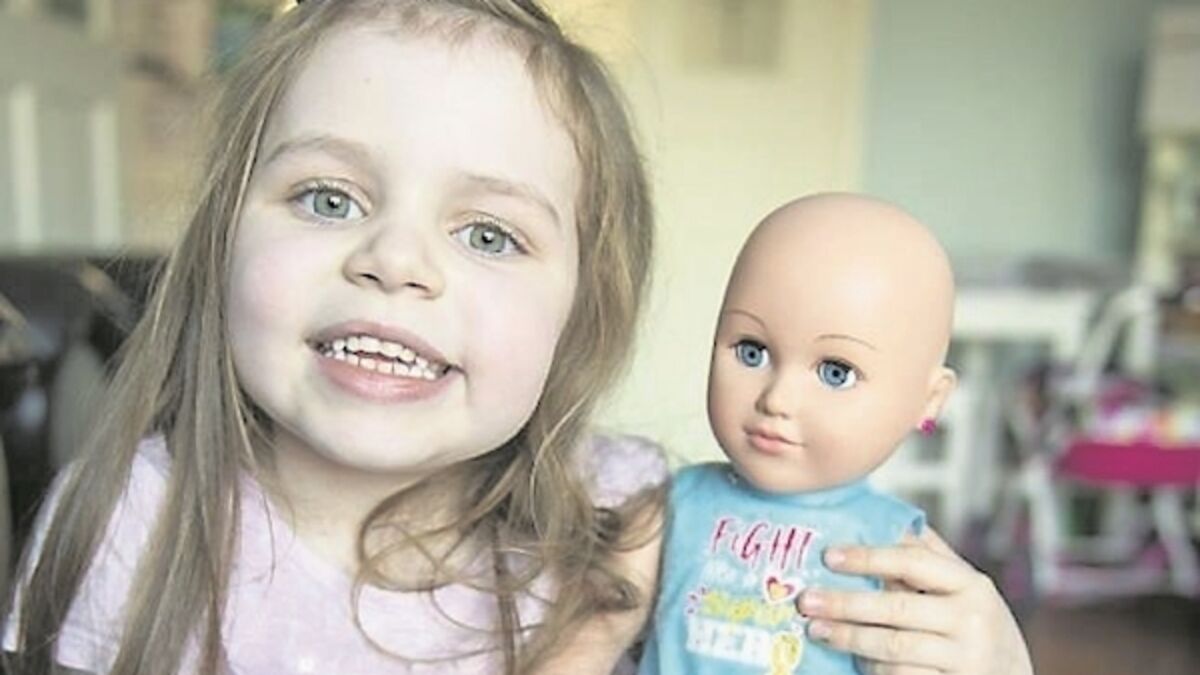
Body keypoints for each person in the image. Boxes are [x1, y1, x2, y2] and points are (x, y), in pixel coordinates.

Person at [2, 1, 667, 673]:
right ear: (221, 241)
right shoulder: (136, 522)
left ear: (582, 312)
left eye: (488, 236)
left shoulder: (619, 515)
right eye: (329, 200)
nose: (395, 261)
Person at [639, 194, 1034, 674]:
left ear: (929, 400)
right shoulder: (671, 504)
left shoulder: (894, 550)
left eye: (835, 373)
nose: (777, 399)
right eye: (751, 351)